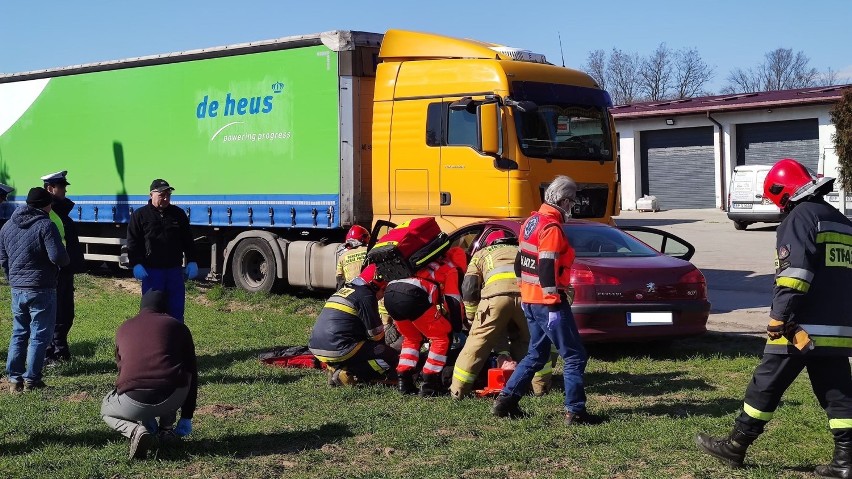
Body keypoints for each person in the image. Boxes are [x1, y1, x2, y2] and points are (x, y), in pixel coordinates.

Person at [696, 158, 852, 477]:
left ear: (782, 192)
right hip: (838, 327)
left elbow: (794, 274)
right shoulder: (841, 221)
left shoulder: (799, 218)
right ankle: (846, 460)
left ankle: (736, 445)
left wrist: (779, 317)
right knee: (837, 392)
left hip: (799, 324)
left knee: (765, 384)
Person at [492, 175, 601, 425]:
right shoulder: (551, 228)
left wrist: (525, 290)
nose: (572, 207)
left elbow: (520, 261)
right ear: (564, 200)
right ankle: (575, 412)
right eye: (572, 202)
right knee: (574, 356)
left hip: (530, 301)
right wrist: (553, 300)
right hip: (548, 303)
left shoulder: (531, 221)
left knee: (536, 354)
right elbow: (547, 266)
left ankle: (506, 401)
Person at [450, 231, 553, 399]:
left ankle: (458, 391)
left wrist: (471, 317)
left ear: (491, 243)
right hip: (526, 298)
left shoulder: (482, 253)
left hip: (495, 299)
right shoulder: (524, 250)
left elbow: (470, 287)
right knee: (535, 342)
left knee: (476, 346)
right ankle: (541, 388)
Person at [101, 290, 198, 460]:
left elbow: (123, 370)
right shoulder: (178, 327)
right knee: (175, 373)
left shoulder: (123, 327)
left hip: (134, 400)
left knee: (106, 410)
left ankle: (135, 430)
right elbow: (192, 371)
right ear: (166, 308)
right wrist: (187, 415)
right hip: (173, 397)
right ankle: (166, 430)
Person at [0, 187, 69, 391]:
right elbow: (58, 257)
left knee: (19, 332)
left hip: (17, 288)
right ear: (45, 205)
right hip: (42, 287)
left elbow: (3, 259)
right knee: (39, 334)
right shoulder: (45, 226)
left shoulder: (7, 227)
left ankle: (14, 379)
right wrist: (64, 262)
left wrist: (12, 277)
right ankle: (32, 379)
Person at [384, 246, 467, 397]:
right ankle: (430, 385)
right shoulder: (451, 268)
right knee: (441, 336)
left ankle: (404, 382)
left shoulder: (422, 262)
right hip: (412, 296)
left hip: (390, 294)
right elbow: (453, 300)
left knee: (412, 338)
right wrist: (457, 325)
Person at [309, 265, 397, 386]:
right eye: (384, 290)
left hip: (316, 347)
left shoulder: (345, 291)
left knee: (365, 350)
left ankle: (336, 367)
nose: (383, 295)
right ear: (376, 285)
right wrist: (386, 350)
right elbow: (376, 335)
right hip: (339, 348)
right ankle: (349, 374)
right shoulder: (366, 296)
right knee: (389, 357)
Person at [126, 179, 197, 322]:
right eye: (162, 195)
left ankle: (175, 341)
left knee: (176, 311)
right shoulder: (140, 215)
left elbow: (188, 240)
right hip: (151, 272)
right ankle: (152, 341)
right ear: (151, 194)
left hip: (174, 272)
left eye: (168, 195)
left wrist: (192, 260)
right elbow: (133, 242)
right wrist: (136, 264)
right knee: (152, 311)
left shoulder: (178, 214)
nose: (166, 198)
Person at [41, 171, 85, 364]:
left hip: (65, 271)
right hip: (55, 272)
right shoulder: (50, 214)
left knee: (66, 313)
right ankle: (51, 353)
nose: (65, 191)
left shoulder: (61, 213)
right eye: (62, 187)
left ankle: (61, 350)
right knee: (55, 313)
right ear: (51, 189)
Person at [336, 225, 370, 289]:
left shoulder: (342, 255)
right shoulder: (369, 250)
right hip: (368, 288)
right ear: (364, 238)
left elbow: (339, 277)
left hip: (350, 291)